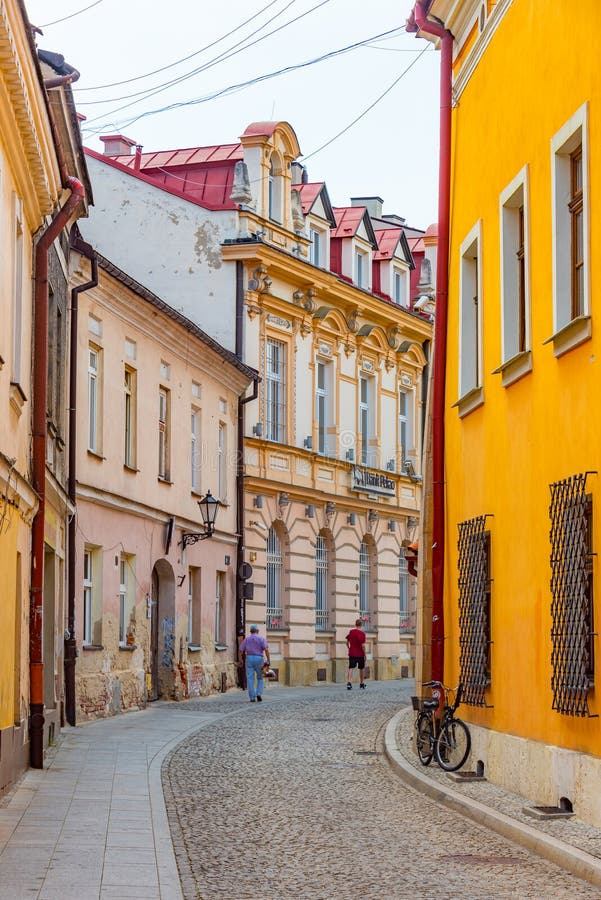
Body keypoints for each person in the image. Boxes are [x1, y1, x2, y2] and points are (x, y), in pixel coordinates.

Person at [238, 624, 270, 702]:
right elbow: (266, 650)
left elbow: (240, 650)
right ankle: (258, 693)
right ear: (258, 631)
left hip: (249, 658)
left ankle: (252, 697)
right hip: (259, 659)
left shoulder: (247, 639)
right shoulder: (261, 639)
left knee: (250, 678)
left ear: (250, 631)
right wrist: (268, 660)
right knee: (260, 677)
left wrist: (241, 660)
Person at [346, 618, 366, 690]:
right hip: (360, 654)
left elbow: (347, 642)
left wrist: (349, 648)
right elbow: (363, 646)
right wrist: (365, 654)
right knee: (362, 668)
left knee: (351, 668)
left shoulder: (351, 632)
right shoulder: (363, 634)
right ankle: (362, 683)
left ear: (355, 624)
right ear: (361, 625)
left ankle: (349, 683)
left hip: (352, 653)